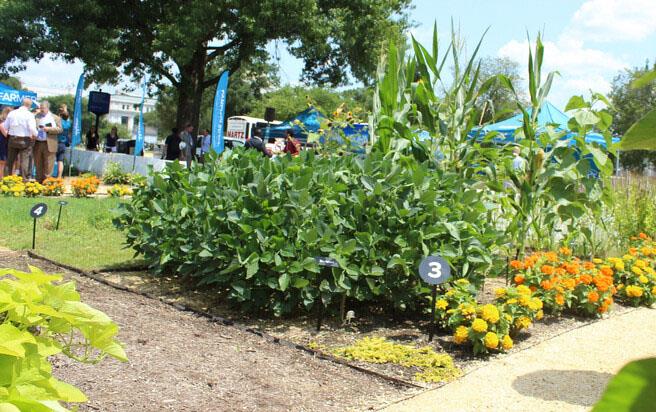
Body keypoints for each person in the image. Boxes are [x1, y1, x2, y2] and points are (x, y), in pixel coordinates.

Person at [4, 97, 38, 179]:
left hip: (12, 138)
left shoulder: (12, 113)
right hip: (25, 140)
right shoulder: (29, 115)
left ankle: (6, 180)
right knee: (24, 162)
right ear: (29, 106)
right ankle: (24, 181)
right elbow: (32, 128)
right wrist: (36, 134)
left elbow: (5, 126)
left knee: (10, 161)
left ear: (21, 104)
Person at [33, 101, 63, 183]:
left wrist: (48, 129)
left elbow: (60, 129)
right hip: (38, 143)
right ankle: (38, 181)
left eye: (43, 108)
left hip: (49, 143)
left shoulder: (55, 118)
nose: (41, 110)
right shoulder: (36, 116)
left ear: (48, 108)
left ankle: (47, 182)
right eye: (41, 108)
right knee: (38, 163)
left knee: (49, 164)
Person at [56, 105, 71, 178]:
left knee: (51, 160)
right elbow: (68, 118)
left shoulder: (59, 122)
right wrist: (65, 110)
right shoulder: (68, 124)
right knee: (60, 161)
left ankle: (51, 174)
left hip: (56, 142)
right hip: (63, 144)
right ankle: (59, 177)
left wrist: (61, 113)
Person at [0, 106, 13, 179]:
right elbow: (6, 134)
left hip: (10, 144)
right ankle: (1, 179)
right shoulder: (2, 123)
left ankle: (10, 178)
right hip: (3, 144)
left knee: (12, 162)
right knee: (2, 162)